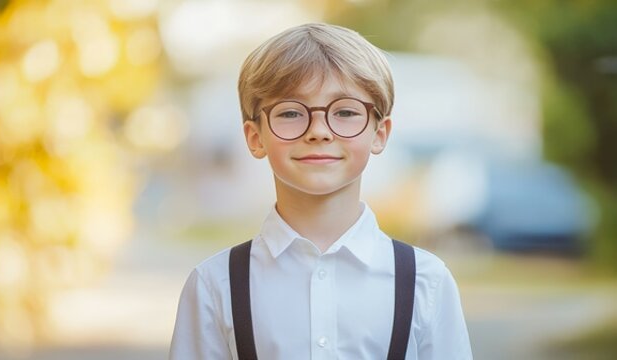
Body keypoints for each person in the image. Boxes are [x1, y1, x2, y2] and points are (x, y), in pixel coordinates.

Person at [169, 23, 473, 359]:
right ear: (255, 137)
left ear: (379, 133)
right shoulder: (214, 285)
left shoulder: (426, 282)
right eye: (290, 112)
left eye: (344, 112)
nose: (318, 131)